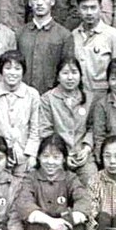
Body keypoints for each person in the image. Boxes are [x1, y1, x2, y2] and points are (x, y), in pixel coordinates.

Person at [17, 135, 91, 230]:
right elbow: (24, 203)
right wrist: (50, 222)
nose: (50, 162)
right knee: (33, 222)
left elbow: (84, 201)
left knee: (79, 224)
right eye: (45, 156)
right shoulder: (31, 178)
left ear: (64, 159)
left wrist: (63, 223)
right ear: (38, 157)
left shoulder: (70, 178)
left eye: (56, 157)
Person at [0, 50, 40, 178]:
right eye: (8, 68)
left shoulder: (32, 95)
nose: (12, 73)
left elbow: (35, 128)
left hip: (25, 156)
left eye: (17, 69)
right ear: (1, 70)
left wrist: (32, 155)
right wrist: (0, 154)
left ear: (23, 71)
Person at [39, 57, 97, 186]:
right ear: (58, 77)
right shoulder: (48, 99)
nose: (70, 78)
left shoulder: (89, 98)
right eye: (65, 73)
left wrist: (87, 149)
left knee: (92, 183)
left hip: (83, 155)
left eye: (74, 72)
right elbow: (45, 130)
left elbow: (93, 127)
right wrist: (63, 155)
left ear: (80, 76)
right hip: (56, 155)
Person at [17, 0, 75, 95]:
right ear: (29, 2)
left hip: (53, 97)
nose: (39, 3)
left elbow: (67, 70)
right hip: (23, 96)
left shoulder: (64, 35)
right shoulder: (20, 34)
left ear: (52, 1)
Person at [72, 0, 116, 102]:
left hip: (104, 99)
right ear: (78, 9)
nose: (89, 13)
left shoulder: (112, 36)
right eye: (84, 8)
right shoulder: (73, 36)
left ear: (101, 8)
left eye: (93, 8)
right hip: (78, 99)